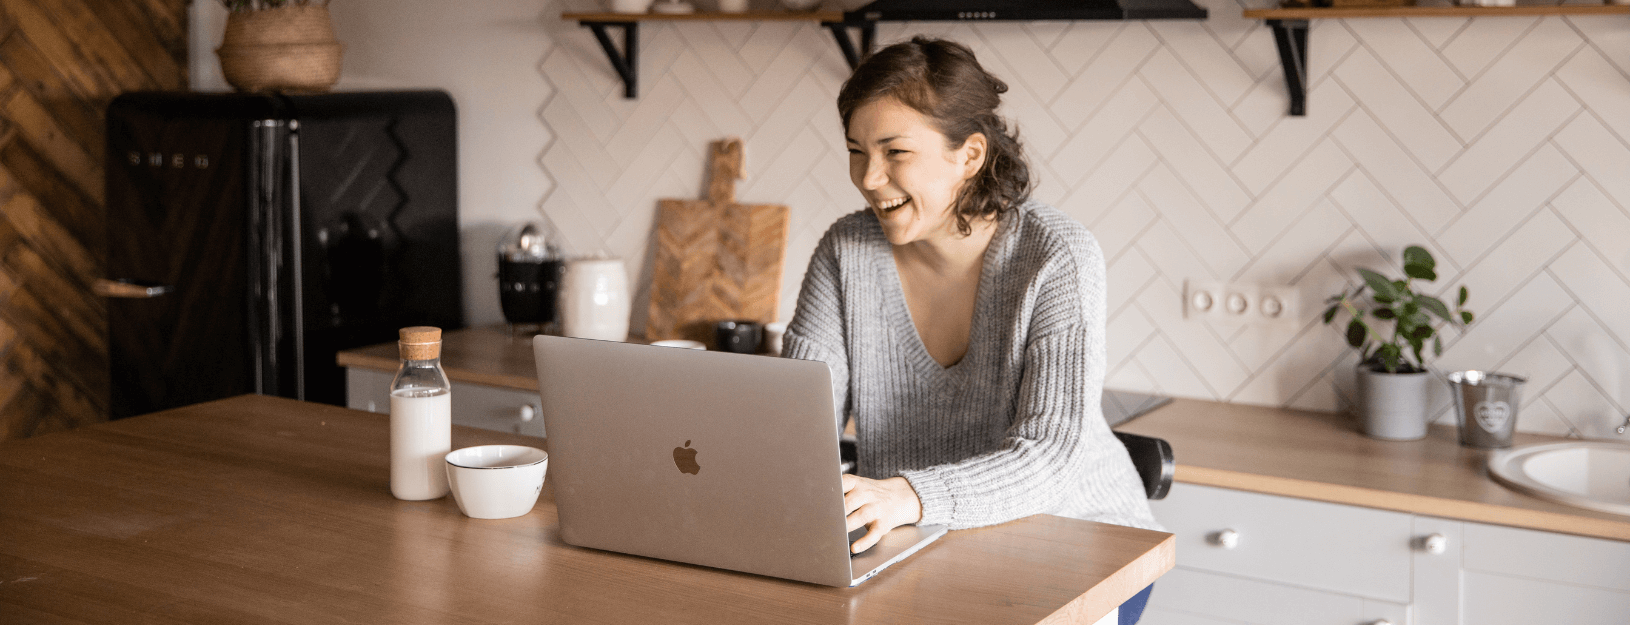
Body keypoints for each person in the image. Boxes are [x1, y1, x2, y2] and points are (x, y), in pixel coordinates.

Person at [779, 37, 1161, 623]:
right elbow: (794, 431)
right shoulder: (845, 250)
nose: (870, 178)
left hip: (1080, 547)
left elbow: (1049, 458)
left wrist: (906, 495)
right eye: (856, 151)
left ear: (971, 154)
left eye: (895, 152)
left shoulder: (1055, 255)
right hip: (920, 544)